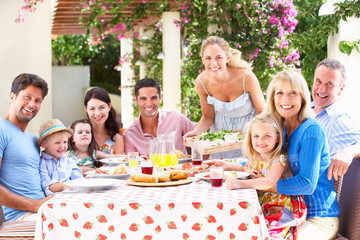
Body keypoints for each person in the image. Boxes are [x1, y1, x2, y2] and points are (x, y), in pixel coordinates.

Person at [265, 70, 340, 239]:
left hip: (318, 219)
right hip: (290, 213)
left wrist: (264, 184)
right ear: (272, 98)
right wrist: (231, 166)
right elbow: (263, 162)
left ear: (303, 98)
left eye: (293, 93)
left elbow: (306, 184)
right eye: (280, 93)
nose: (286, 99)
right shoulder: (281, 130)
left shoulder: (311, 130)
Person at [206, 113, 307, 239]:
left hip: (280, 207)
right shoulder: (255, 158)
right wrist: (226, 165)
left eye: (267, 136)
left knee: (263, 231)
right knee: (237, 224)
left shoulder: (279, 160)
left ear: (277, 137)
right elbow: (245, 167)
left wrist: (241, 184)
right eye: (256, 136)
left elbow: (269, 181)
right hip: (260, 204)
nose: (260, 141)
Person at [184, 36, 265, 158]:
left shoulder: (246, 77)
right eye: (208, 58)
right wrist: (196, 132)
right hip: (220, 141)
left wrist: (250, 133)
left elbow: (262, 112)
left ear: (227, 58)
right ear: (203, 60)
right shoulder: (201, 82)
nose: (214, 63)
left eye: (219, 57)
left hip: (249, 138)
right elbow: (207, 117)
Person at [0, 73, 52, 221]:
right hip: (18, 216)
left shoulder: (33, 140)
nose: (32, 104)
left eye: (37, 100)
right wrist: (35, 205)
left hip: (41, 210)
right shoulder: (1, 130)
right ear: (12, 97)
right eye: (27, 97)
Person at [311, 58, 360, 181]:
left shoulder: (338, 119)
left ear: (340, 89)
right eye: (318, 81)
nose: (322, 89)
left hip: (311, 194)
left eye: (329, 84)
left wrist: (350, 151)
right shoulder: (304, 109)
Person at [123, 78, 195, 156]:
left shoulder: (177, 119)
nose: (149, 103)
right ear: (136, 100)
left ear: (160, 98)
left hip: (182, 168)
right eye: (143, 99)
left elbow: (201, 142)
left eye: (153, 98)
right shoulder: (130, 135)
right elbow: (132, 166)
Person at [38, 119, 83, 196]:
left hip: (72, 195)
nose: (62, 146)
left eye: (65, 142)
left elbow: (79, 179)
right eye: (57, 143)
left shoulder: (68, 161)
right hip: (55, 199)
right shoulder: (42, 163)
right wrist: (63, 186)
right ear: (44, 144)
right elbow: (47, 186)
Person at [84, 87, 124, 159]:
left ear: (109, 106)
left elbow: (118, 168)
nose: (97, 113)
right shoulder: (77, 133)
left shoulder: (116, 140)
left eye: (102, 107)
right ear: (86, 109)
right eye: (92, 108)